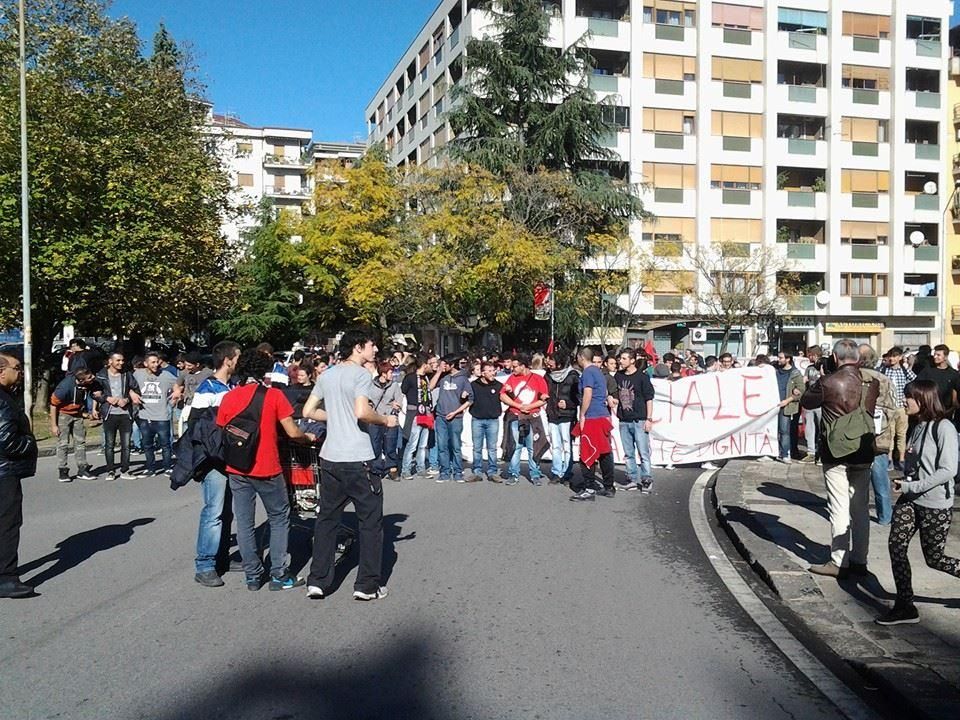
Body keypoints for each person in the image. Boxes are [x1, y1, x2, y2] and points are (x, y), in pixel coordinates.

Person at [303, 330, 398, 601]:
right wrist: (384, 420)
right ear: (358, 347)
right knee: (370, 523)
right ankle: (367, 586)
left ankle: (318, 580)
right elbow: (362, 412)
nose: (375, 350)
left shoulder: (327, 375)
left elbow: (308, 411)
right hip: (358, 458)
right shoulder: (360, 375)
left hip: (331, 457)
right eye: (372, 345)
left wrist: (335, 417)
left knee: (326, 520)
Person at [217, 348, 313, 592]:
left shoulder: (229, 397)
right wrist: (306, 437)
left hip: (237, 468)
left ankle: (252, 575)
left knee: (245, 522)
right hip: (267, 467)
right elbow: (292, 431)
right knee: (279, 518)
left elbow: (222, 428)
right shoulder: (273, 396)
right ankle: (279, 574)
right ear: (265, 370)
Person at [876, 380, 960, 625]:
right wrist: (907, 480)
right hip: (910, 500)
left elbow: (947, 470)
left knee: (934, 558)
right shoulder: (917, 425)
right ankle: (905, 605)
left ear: (922, 399)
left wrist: (913, 485)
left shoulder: (943, 428)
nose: (905, 401)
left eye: (908, 397)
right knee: (896, 546)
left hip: (935, 504)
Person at [801, 339, 879, 578]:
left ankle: (838, 560)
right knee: (860, 509)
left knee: (838, 507)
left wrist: (823, 376)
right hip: (864, 448)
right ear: (858, 358)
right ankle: (859, 560)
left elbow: (806, 401)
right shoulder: (871, 383)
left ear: (835, 358)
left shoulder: (828, 382)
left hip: (836, 451)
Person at [189, 340, 240, 587]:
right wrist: (215, 453)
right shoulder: (207, 388)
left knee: (226, 512)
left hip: (231, 459)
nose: (238, 361)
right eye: (237, 357)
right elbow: (195, 426)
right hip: (214, 461)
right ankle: (205, 564)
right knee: (213, 512)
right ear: (227, 360)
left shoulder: (233, 386)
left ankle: (222, 559)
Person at [0, 352, 38, 598]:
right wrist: (29, 443)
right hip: (4, 472)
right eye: (16, 367)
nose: (20, 371)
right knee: (7, 524)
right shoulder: (2, 400)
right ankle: (6, 579)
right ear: (1, 371)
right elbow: (5, 440)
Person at [860, 344, 899, 526]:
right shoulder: (884, 380)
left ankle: (856, 514)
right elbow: (892, 409)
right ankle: (885, 516)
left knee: (854, 478)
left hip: (855, 436)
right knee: (880, 478)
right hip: (879, 436)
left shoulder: (851, 378)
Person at [570, 346, 616, 501]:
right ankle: (609, 486)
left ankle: (589, 487)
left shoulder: (588, 372)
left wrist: (582, 414)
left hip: (593, 416)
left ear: (581, 357)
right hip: (602, 414)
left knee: (587, 451)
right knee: (604, 451)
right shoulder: (599, 372)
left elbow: (588, 394)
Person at [500, 354, 549, 485]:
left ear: (523, 366)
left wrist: (529, 406)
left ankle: (535, 474)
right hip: (515, 415)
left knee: (533, 447)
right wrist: (519, 406)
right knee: (516, 446)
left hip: (532, 418)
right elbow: (502, 396)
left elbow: (544, 398)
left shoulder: (538, 379)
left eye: (515, 366)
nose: (512, 369)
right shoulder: (512, 378)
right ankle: (513, 473)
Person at [93, 352, 141, 481]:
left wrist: (127, 399)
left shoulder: (126, 375)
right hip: (110, 413)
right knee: (110, 444)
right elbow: (95, 393)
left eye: (122, 360)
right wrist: (107, 398)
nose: (121, 363)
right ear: (110, 361)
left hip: (125, 414)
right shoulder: (101, 376)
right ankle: (110, 471)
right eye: (118, 360)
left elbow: (136, 389)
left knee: (126, 445)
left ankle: (125, 470)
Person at [50, 367, 100, 482]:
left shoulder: (90, 383)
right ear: (81, 380)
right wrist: (54, 425)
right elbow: (53, 404)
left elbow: (96, 393)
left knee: (80, 442)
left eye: (92, 375)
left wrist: (92, 411)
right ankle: (63, 470)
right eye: (89, 377)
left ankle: (82, 468)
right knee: (63, 443)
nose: (93, 378)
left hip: (78, 414)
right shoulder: (65, 387)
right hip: (63, 414)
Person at [615, 348, 655, 492]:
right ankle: (631, 479)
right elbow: (614, 393)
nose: (621, 361)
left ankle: (646, 479)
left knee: (643, 452)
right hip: (624, 420)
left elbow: (649, 398)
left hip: (639, 420)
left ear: (632, 360)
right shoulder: (618, 376)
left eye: (624, 358)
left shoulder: (642, 377)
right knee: (628, 452)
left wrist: (649, 419)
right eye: (621, 358)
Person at [133, 352, 177, 476]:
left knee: (165, 444)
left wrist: (176, 393)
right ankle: (150, 468)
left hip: (162, 415)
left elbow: (178, 383)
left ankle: (167, 466)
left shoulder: (166, 374)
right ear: (145, 364)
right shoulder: (138, 374)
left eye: (157, 361)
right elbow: (128, 385)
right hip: (145, 415)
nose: (156, 364)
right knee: (147, 445)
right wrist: (132, 394)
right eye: (152, 362)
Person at [434, 355, 474, 483]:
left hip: (456, 417)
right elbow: (430, 387)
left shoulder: (463, 379)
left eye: (445, 364)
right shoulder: (442, 376)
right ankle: (444, 471)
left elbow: (470, 400)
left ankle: (457, 472)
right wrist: (439, 371)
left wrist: (456, 411)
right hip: (440, 416)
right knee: (442, 445)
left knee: (456, 445)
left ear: (452, 365)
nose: (443, 366)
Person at [877, 346, 915, 472]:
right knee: (890, 433)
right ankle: (890, 459)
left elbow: (915, 381)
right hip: (888, 408)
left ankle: (902, 459)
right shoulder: (883, 370)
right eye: (890, 356)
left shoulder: (904, 371)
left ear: (899, 357)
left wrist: (908, 397)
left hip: (901, 407)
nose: (892, 359)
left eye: (894, 356)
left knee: (901, 434)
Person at [545, 352, 579, 485]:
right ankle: (556, 472)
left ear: (559, 362)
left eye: (551, 360)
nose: (548, 362)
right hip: (552, 414)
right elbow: (542, 390)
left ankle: (567, 472)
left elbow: (579, 397)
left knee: (567, 444)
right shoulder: (547, 376)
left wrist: (568, 404)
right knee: (556, 445)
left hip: (567, 416)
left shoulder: (573, 376)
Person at [400, 354, 435, 480]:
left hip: (426, 413)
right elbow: (402, 392)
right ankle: (406, 470)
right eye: (429, 365)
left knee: (422, 445)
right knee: (412, 444)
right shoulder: (410, 378)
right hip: (415, 413)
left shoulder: (425, 378)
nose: (430, 367)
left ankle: (421, 469)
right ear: (424, 365)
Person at [470, 361, 503, 482]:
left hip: (493, 420)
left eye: (493, 370)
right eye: (489, 371)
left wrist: (509, 391)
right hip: (477, 419)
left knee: (492, 448)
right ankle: (477, 471)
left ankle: (492, 471)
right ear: (483, 373)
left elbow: (508, 398)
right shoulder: (474, 385)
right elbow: (467, 399)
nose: (492, 373)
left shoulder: (499, 385)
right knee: (477, 447)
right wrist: (463, 396)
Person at [370, 361, 403, 480]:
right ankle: (376, 469)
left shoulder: (394, 386)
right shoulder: (371, 385)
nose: (392, 375)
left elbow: (399, 400)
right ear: (383, 373)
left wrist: (395, 408)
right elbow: (368, 400)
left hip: (390, 418)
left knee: (390, 445)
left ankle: (392, 468)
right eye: (390, 372)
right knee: (375, 445)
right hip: (375, 418)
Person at [915, 344, 960, 426]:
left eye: (938, 355)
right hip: (928, 411)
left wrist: (952, 409)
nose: (935, 357)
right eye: (934, 354)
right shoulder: (927, 371)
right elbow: (917, 385)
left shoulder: (953, 374)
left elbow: (955, 394)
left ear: (945, 357)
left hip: (946, 412)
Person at [775, 351, 804, 464]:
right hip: (773, 405)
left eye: (781, 358)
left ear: (788, 359)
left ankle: (785, 453)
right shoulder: (775, 371)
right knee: (773, 430)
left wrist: (787, 400)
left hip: (785, 406)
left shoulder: (795, 373)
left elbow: (801, 390)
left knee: (784, 430)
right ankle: (774, 451)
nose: (779, 360)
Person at [800, 346, 823, 464]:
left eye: (809, 355)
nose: (808, 357)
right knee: (809, 428)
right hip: (810, 402)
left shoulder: (825, 366)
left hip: (821, 403)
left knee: (822, 429)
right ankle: (811, 452)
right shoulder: (809, 368)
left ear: (815, 355)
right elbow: (804, 381)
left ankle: (822, 453)